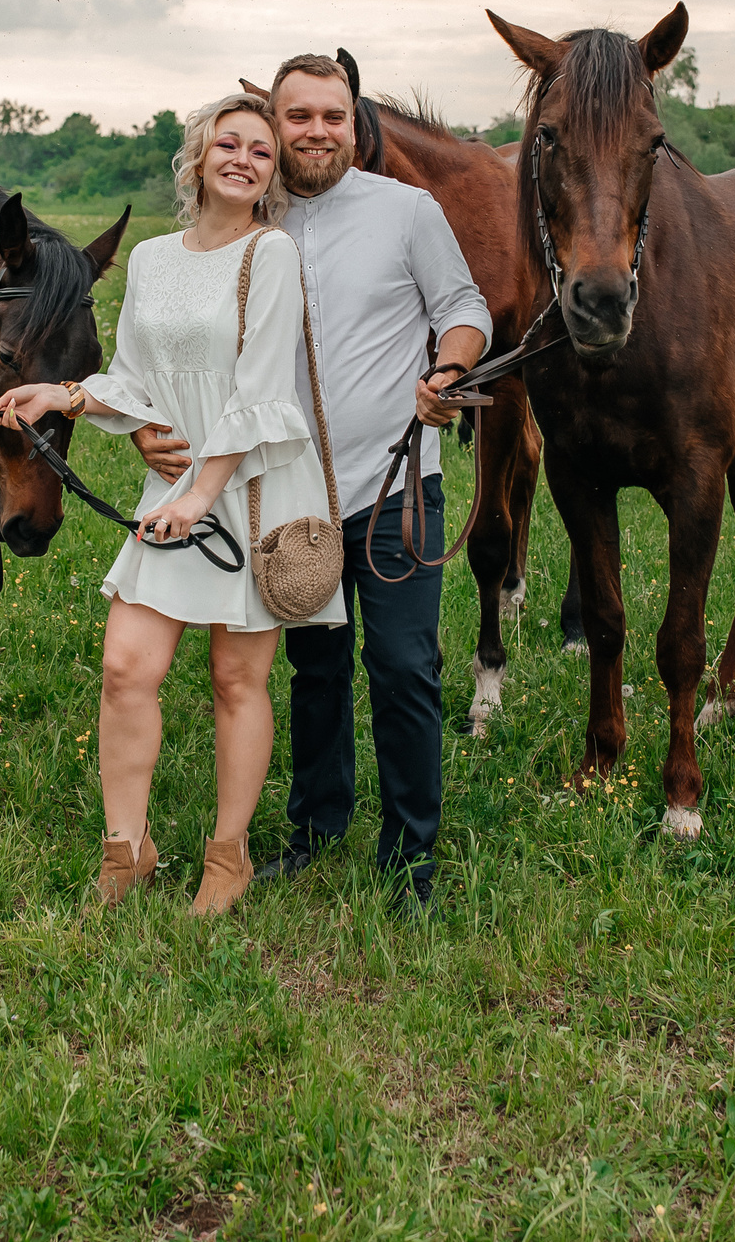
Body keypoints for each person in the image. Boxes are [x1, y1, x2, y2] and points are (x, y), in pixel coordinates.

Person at [131, 54, 489, 913]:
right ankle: (315, 826)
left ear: (355, 123)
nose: (316, 132)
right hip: (288, 494)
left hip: (398, 482)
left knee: (403, 666)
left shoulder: (407, 210)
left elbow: (465, 305)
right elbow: (180, 334)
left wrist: (447, 370)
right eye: (299, 118)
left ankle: (412, 856)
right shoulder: (252, 216)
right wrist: (145, 419)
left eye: (333, 116)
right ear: (274, 122)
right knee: (313, 666)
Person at [0, 92, 344, 916]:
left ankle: (228, 855)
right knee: (125, 670)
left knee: (236, 679)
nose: (245, 158)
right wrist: (62, 394)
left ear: (270, 172)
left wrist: (201, 497)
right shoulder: (149, 258)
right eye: (230, 143)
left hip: (247, 489)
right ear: (199, 156)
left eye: (261, 149)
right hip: (176, 487)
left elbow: (258, 391)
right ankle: (127, 848)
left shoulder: (272, 254)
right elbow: (138, 379)